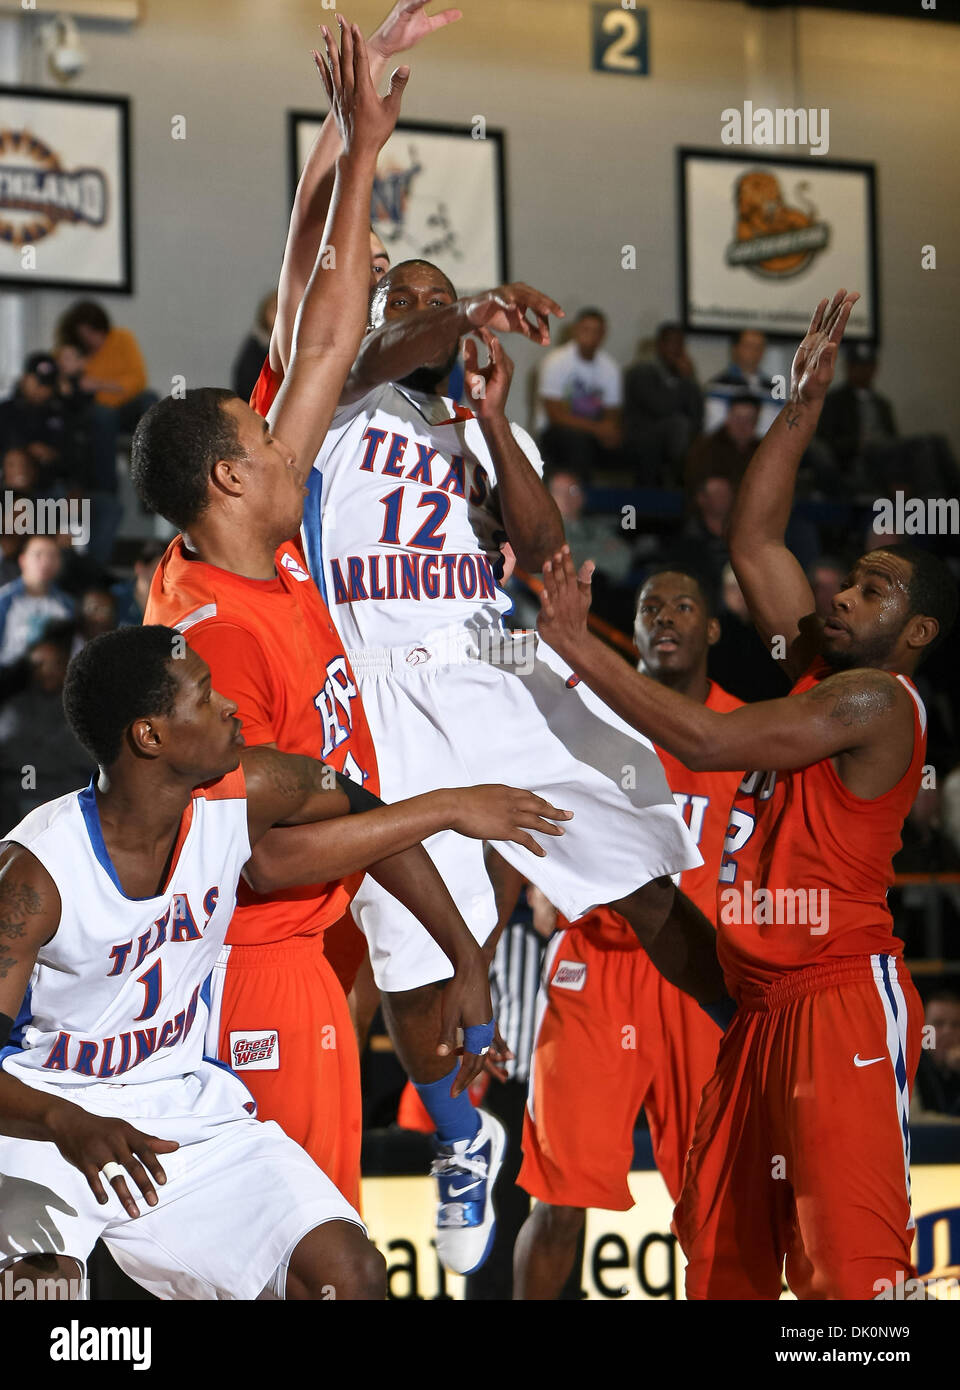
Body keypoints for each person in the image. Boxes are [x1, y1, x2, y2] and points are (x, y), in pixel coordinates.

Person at [137, 22, 567, 1223]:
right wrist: (443, 812)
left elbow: (317, 323)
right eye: (261, 436)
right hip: (249, 965)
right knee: (307, 1250)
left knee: (438, 989)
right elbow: (273, 851)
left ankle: (458, 1120)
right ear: (230, 477)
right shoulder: (212, 645)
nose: (287, 437)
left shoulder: (263, 536)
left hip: (342, 842)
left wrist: (354, 137)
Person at [269, 251, 734, 1275]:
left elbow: (542, 548)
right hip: (381, 686)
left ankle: (754, 1031)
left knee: (640, 864)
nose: (435, 322)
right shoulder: (337, 403)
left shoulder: (489, 427)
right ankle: (457, 1135)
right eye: (413, 306)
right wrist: (462, 310)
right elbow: (359, 352)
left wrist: (490, 424)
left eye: (445, 307)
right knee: (416, 978)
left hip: (491, 663)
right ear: (385, 318)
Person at [536, 288, 960, 1300]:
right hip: (755, 1007)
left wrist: (575, 643)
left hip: (838, 1002)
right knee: (723, 1271)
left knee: (849, 1285)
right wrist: (801, 404)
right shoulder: (821, 671)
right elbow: (754, 540)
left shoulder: (877, 700)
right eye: (848, 581)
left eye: (872, 592)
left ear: (918, 634)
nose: (844, 596)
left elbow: (705, 734)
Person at [0, 623, 475, 1301]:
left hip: (178, 1105)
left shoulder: (252, 788)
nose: (231, 708)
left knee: (348, 1274)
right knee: (37, 1293)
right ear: (150, 737)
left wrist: (465, 957)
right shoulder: (34, 875)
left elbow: (369, 811)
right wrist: (60, 1120)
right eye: (204, 695)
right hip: (40, 1116)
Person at [514, 569, 743, 1299]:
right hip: (597, 968)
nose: (666, 617)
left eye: (684, 604)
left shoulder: (746, 732)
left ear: (712, 628)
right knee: (557, 1201)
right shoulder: (587, 716)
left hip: (699, 976)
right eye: (651, 607)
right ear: (633, 628)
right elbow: (514, 812)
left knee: (717, 1205)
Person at [0, 626, 92, 819]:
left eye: (54, 663)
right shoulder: (16, 707)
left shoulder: (81, 707)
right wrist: (58, 750)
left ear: (66, 665)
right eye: (39, 664)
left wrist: (36, 747)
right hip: (23, 793)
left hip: (69, 795)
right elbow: (8, 753)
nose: (47, 671)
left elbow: (87, 757)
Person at [535, 308, 624, 479]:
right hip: (556, 433)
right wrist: (598, 429)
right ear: (575, 331)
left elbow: (612, 414)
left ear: (604, 334)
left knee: (632, 443)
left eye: (596, 331)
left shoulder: (610, 368)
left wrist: (609, 432)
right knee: (578, 444)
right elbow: (555, 415)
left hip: (592, 432)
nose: (590, 335)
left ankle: (636, 503)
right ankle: (580, 501)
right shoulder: (555, 362)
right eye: (586, 329)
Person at [622, 322, 703, 486]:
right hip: (641, 436)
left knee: (691, 432)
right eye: (672, 343)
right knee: (679, 425)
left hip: (671, 439)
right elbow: (660, 407)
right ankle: (679, 483)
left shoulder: (682, 375)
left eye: (680, 344)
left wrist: (690, 379)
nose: (676, 349)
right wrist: (685, 381)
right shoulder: (642, 371)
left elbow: (697, 415)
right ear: (660, 345)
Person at [0, 534, 74, 668]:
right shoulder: (3, 599)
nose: (46, 561)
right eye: (38, 554)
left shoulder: (67, 605)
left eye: (52, 556)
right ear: (22, 560)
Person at [703, 328, 778, 436]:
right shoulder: (718, 385)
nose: (755, 352)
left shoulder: (774, 388)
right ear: (735, 349)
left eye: (759, 347)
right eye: (749, 346)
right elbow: (714, 427)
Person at [684, 392, 762, 496]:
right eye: (737, 418)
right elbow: (694, 482)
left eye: (749, 420)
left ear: (756, 421)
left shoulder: (763, 451)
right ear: (728, 418)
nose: (742, 425)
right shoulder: (706, 447)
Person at [910, 988, 960, 1121]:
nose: (947, 1031)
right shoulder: (909, 1064)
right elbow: (914, 1120)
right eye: (938, 1023)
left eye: (955, 1025)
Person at [232, 291, 279, 404]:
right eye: (274, 309)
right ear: (264, 314)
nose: (278, 315)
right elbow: (246, 385)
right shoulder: (255, 347)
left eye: (282, 308)